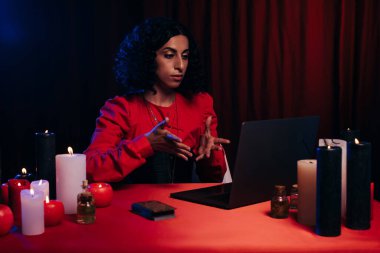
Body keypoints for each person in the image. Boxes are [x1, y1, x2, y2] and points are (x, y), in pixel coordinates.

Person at [84, 17, 230, 184]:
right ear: (147, 58)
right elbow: (90, 169)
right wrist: (146, 145)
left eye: (185, 56)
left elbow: (215, 180)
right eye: (169, 55)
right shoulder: (120, 109)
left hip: (186, 207)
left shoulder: (200, 104)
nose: (180, 65)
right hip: (134, 208)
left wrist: (210, 155)